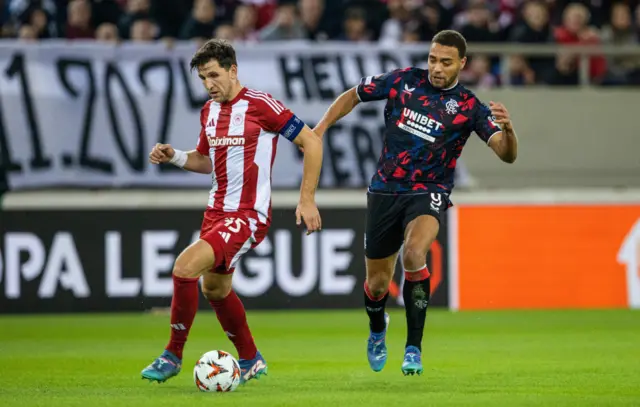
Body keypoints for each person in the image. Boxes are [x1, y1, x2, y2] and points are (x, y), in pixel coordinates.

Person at [312, 30, 518, 376]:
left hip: (429, 190)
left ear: (462, 64)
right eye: (433, 59)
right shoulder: (403, 81)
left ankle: (413, 348)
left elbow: (505, 154)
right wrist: (319, 129)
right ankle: (378, 329)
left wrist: (510, 132)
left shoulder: (470, 107)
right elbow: (354, 95)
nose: (437, 68)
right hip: (384, 190)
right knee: (377, 284)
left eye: (446, 62)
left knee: (413, 254)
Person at [141, 39, 323, 384]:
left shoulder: (260, 104)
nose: (209, 84)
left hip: (248, 215)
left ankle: (173, 354)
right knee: (215, 290)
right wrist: (175, 156)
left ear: (233, 70)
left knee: (184, 268)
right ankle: (251, 358)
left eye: (214, 75)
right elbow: (206, 160)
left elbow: (311, 141)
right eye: (203, 79)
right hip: (215, 212)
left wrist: (307, 199)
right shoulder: (208, 111)